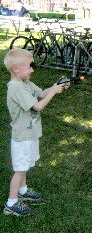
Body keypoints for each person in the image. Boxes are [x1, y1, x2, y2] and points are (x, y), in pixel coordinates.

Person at [3, 48, 69, 216]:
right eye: (30, 66)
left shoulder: (25, 83)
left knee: (25, 165)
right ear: (16, 69)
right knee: (19, 169)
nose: (32, 69)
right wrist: (53, 93)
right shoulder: (16, 88)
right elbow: (38, 106)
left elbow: (40, 94)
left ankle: (23, 190)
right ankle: (11, 203)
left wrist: (55, 86)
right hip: (22, 136)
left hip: (30, 134)